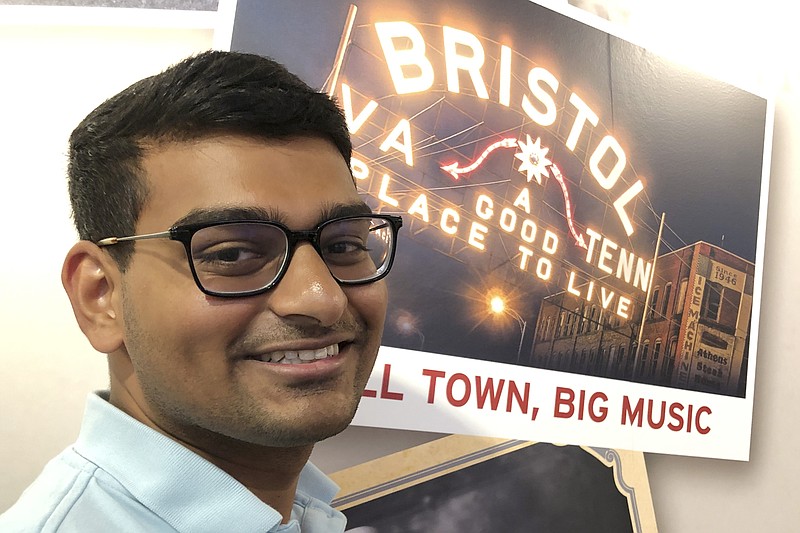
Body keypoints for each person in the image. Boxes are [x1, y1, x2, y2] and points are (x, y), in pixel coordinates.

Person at [0, 50, 402, 532]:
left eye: (343, 243)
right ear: (100, 297)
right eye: (232, 255)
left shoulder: (296, 508)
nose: (322, 297)